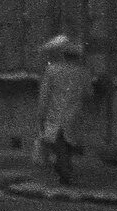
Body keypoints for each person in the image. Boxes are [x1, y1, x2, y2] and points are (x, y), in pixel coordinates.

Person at [37, 34, 95, 184]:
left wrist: (41, 114)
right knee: (68, 144)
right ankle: (65, 170)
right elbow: (89, 94)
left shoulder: (52, 70)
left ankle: (64, 172)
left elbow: (44, 95)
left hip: (55, 112)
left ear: (64, 55)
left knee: (58, 144)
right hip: (74, 114)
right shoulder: (83, 72)